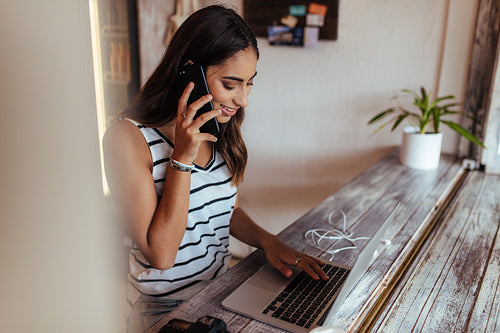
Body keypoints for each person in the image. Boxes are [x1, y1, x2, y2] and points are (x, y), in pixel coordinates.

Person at [103, 5, 328, 332]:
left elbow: (226, 211)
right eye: (231, 83)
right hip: (163, 315)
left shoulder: (220, 127)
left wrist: (267, 241)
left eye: (249, 83)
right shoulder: (127, 137)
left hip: (219, 297)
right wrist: (182, 157)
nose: (243, 100)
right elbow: (161, 255)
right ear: (188, 73)